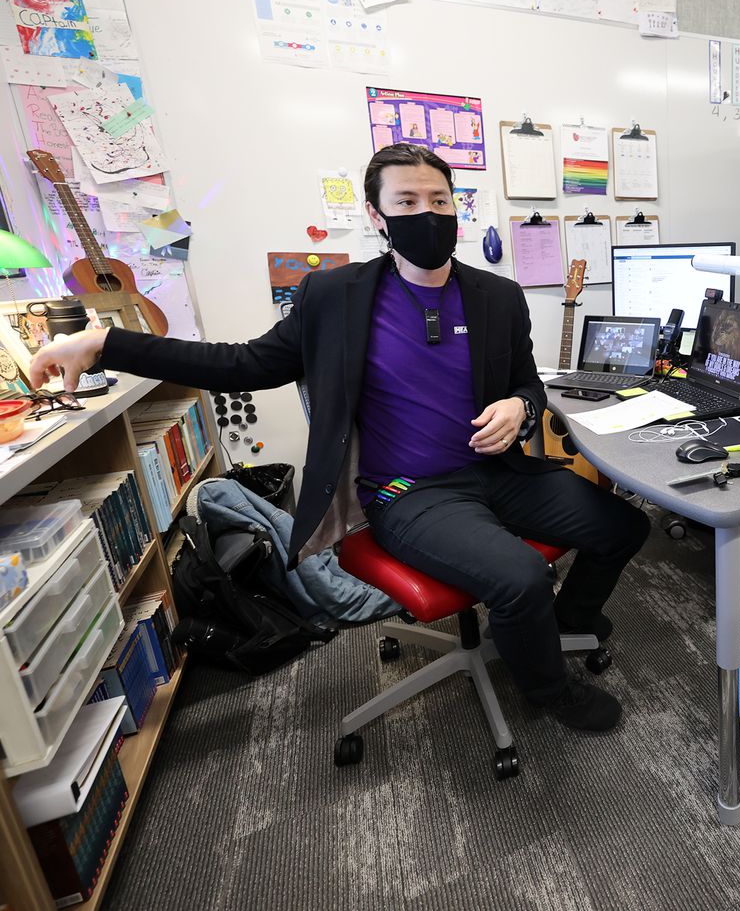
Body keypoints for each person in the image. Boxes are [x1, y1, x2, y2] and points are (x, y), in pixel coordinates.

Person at [29, 142, 650, 733]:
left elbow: (529, 384)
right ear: (377, 215)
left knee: (625, 526)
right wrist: (105, 342)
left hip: (496, 473)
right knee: (518, 580)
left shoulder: (498, 296)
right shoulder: (335, 296)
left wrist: (519, 404)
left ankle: (570, 620)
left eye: (439, 200)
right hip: (409, 493)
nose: (426, 214)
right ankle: (548, 691)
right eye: (406, 202)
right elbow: (242, 364)